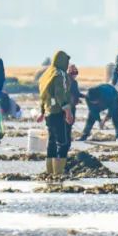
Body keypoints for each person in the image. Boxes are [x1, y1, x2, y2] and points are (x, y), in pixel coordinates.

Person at [39, 50, 74, 181]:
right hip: (58, 112)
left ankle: (50, 172)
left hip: (49, 112)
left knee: (52, 141)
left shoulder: (47, 74)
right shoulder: (60, 74)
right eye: (67, 61)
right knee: (62, 143)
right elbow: (60, 94)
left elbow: (43, 95)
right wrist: (68, 110)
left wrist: (42, 111)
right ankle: (58, 173)